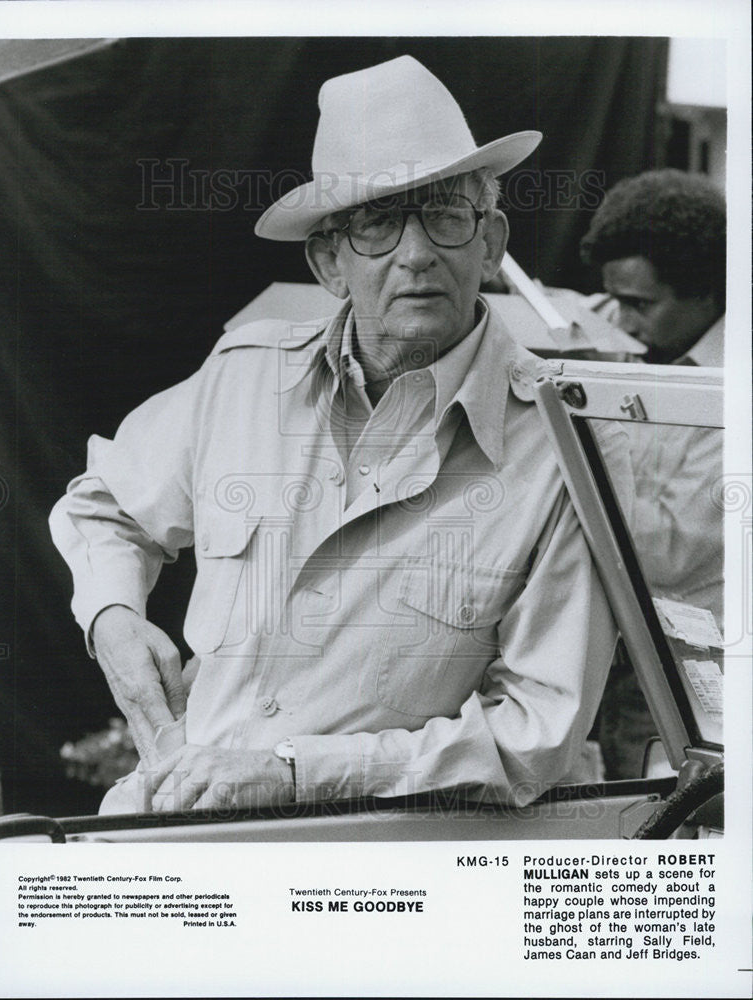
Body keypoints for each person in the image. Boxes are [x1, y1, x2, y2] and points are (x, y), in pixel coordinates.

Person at [50, 55, 623, 814]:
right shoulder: (243, 377)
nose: (416, 254)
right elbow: (103, 506)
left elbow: (534, 733)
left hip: (386, 862)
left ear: (490, 243)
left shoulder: (564, 448)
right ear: (328, 261)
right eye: (378, 223)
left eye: (447, 214)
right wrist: (114, 616)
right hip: (180, 825)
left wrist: (293, 773)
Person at [580, 170, 726, 778]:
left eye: (639, 304)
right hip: (603, 655)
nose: (622, 320)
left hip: (682, 675)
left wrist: (569, 446)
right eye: (613, 299)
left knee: (658, 828)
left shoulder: (732, 389)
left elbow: (667, 550)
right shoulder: (625, 342)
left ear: (707, 293)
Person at [579, 168, 725, 366]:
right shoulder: (629, 316)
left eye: (638, 304)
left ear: (704, 292)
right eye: (617, 300)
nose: (622, 327)